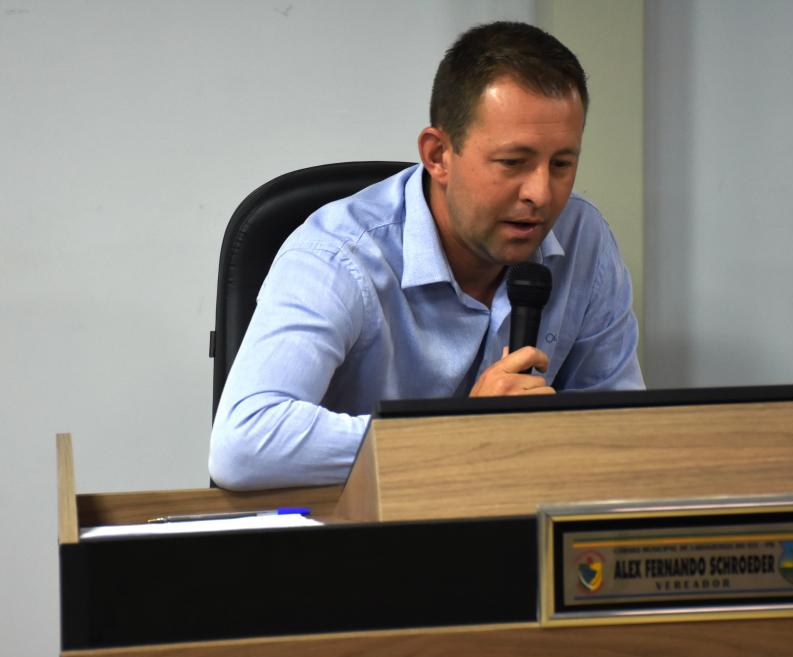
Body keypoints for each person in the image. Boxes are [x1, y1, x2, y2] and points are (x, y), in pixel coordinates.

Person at [209, 21, 644, 490]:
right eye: (513, 163)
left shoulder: (582, 237)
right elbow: (244, 445)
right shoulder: (338, 254)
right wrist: (456, 433)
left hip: (516, 520)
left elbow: (624, 435)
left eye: (561, 164)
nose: (540, 193)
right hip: (363, 527)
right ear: (438, 155)